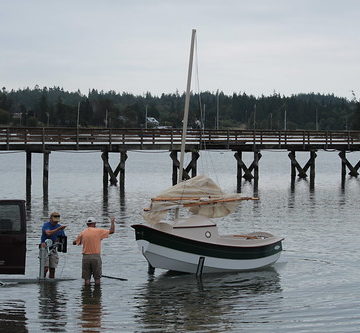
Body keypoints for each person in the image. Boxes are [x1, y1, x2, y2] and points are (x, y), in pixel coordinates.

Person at [73, 216, 115, 285]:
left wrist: (77, 241)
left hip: (86, 257)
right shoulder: (99, 231)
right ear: (94, 223)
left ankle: (86, 293)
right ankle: (97, 294)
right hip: (95, 257)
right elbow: (112, 231)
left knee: (86, 279)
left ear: (87, 224)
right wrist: (112, 222)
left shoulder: (83, 232)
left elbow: (74, 243)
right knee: (97, 278)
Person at [40, 211, 66, 278]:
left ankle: (52, 286)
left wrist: (62, 246)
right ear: (50, 219)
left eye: (57, 221)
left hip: (53, 248)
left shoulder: (60, 227)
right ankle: (42, 279)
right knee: (45, 268)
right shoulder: (46, 225)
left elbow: (62, 238)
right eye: (54, 221)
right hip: (45, 248)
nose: (56, 222)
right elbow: (48, 233)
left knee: (52, 268)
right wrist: (58, 229)